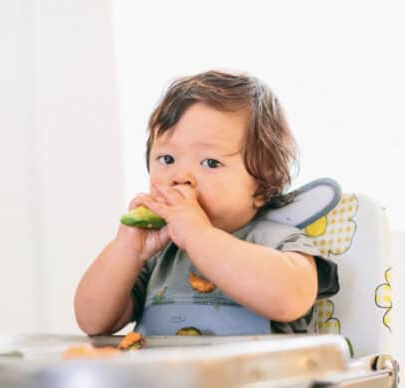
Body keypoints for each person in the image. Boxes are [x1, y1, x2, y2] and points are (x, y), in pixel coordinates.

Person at [74, 70, 339, 336]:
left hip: (254, 378)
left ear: (260, 186)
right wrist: (127, 250)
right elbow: (93, 322)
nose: (180, 177)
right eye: (167, 159)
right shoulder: (158, 256)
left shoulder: (275, 240)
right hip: (165, 379)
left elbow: (289, 298)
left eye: (210, 163)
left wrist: (199, 236)